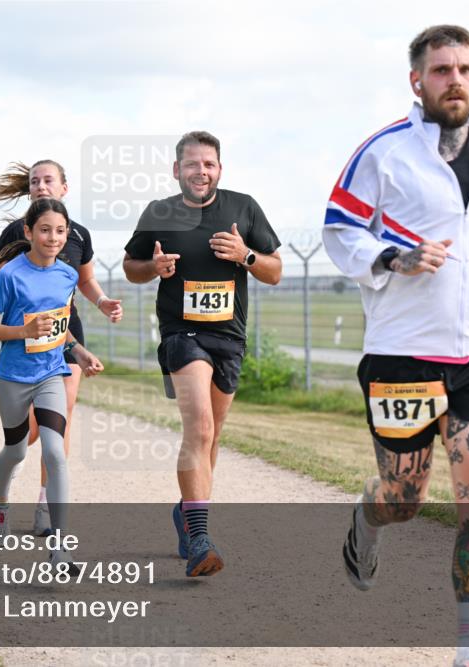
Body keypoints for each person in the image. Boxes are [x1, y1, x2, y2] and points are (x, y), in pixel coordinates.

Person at [322, 25, 469, 667]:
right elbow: (338, 231)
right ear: (417, 80)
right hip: (403, 354)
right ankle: (366, 525)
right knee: (405, 500)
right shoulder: (383, 153)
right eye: (443, 69)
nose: (456, 79)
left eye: (466, 69)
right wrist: (394, 256)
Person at [123, 131, 282, 577]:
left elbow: (275, 271)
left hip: (229, 338)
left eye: (208, 164)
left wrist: (246, 254)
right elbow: (131, 267)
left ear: (219, 169)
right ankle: (200, 540)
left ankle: (187, 513)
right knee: (200, 427)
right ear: (177, 170)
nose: (201, 171)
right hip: (181, 334)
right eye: (192, 164)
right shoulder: (159, 212)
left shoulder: (243, 207)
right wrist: (152, 268)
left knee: (212, 437)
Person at [0, 159, 123, 537]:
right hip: (18, 343)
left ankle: (51, 518)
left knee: (58, 430)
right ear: (30, 229)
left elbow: (83, 283)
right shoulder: (16, 235)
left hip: (61, 339)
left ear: (64, 187)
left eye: (48, 180)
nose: (41, 186)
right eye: (35, 181)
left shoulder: (76, 241)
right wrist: (17, 281)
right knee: (19, 444)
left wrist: (102, 304)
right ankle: (0, 494)